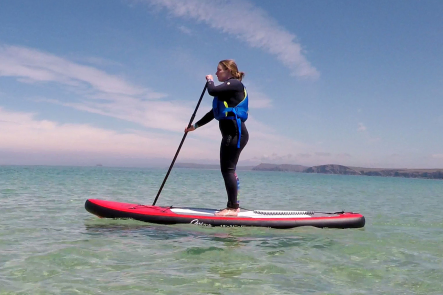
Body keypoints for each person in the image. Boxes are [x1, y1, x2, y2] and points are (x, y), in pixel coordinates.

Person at [185, 60, 249, 216]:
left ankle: (233, 208)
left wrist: (209, 80)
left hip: (234, 133)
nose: (216, 73)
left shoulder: (235, 84)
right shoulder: (227, 93)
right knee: (229, 170)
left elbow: (212, 90)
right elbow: (213, 113)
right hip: (232, 133)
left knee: (227, 170)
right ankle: (234, 206)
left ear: (228, 71)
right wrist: (195, 126)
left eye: (218, 70)